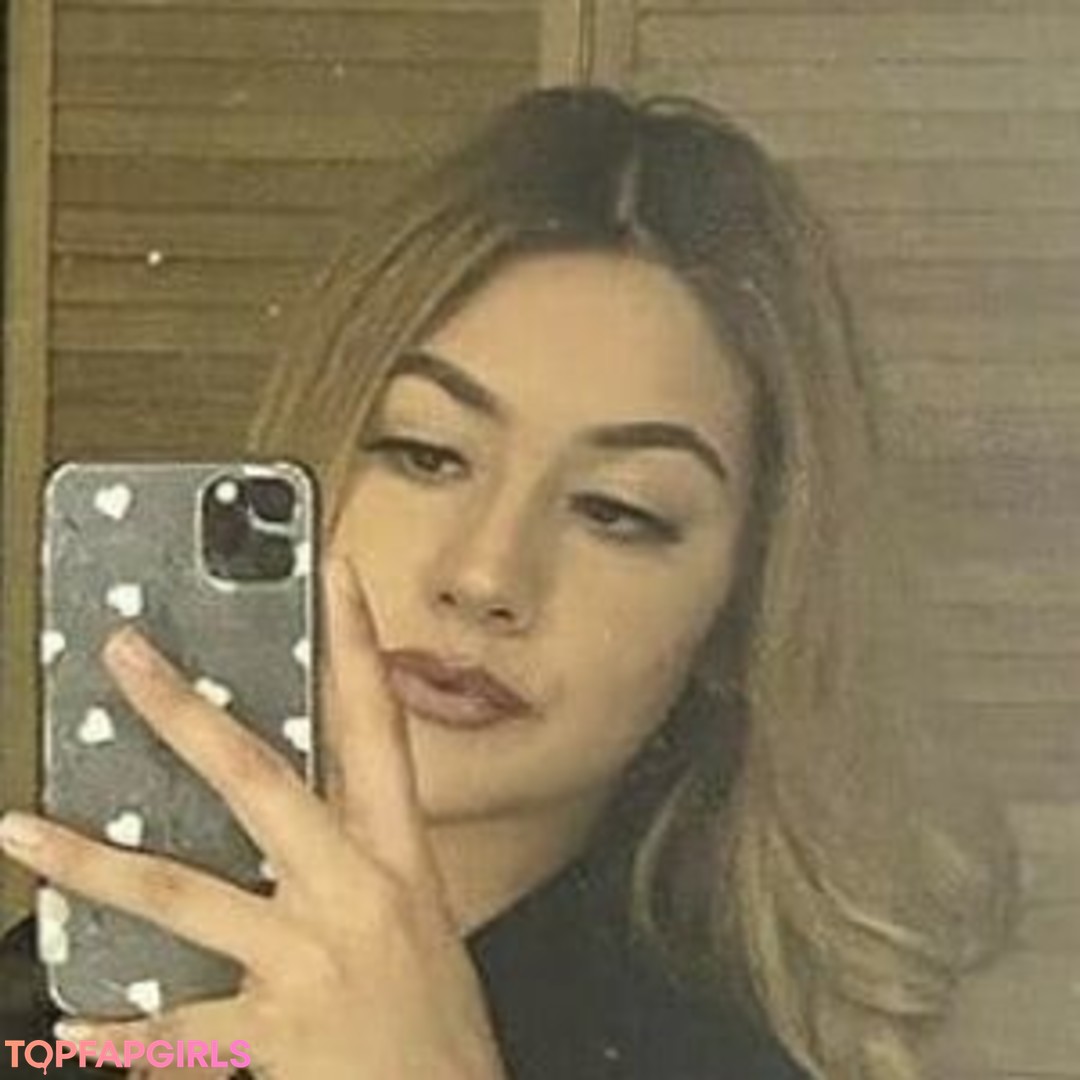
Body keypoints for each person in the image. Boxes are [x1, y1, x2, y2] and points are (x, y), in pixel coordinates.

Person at [0, 86, 1017, 1079]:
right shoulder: (57, 1005)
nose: (485, 574)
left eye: (617, 510)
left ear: (741, 612)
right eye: (426, 453)